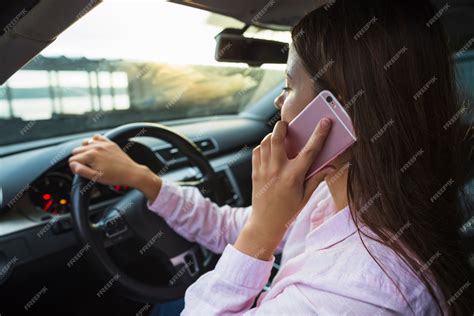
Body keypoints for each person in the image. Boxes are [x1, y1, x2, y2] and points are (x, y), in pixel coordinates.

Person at [69, 0, 473, 314]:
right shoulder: (341, 190)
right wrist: (145, 180)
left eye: (288, 83)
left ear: (339, 111)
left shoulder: (362, 291)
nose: (279, 100)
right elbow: (228, 224)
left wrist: (262, 230)